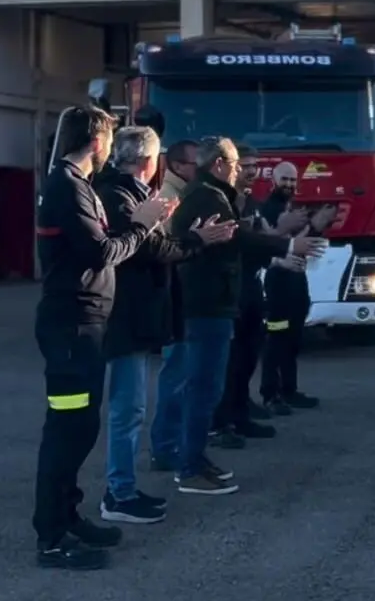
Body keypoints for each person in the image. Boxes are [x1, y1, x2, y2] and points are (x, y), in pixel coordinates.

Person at [33, 106, 173, 570]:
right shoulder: (69, 188)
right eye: (109, 140)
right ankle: (52, 537)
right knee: (67, 432)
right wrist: (144, 222)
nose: (111, 149)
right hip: (72, 325)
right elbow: (102, 252)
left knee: (82, 428)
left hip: (86, 325)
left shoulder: (77, 185)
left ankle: (68, 517)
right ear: (97, 142)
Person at [94, 127, 236, 525]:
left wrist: (184, 235)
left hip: (135, 316)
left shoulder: (130, 194)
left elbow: (154, 243)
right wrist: (199, 239)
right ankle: (118, 493)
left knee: (133, 407)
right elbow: (150, 248)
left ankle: (123, 487)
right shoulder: (119, 195)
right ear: (150, 161)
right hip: (125, 316)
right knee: (127, 410)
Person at [169, 137, 325, 496]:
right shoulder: (208, 196)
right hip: (207, 305)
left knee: (209, 386)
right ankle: (190, 467)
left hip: (215, 302)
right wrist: (287, 244)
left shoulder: (212, 194)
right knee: (203, 388)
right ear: (220, 164)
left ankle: (196, 458)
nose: (242, 170)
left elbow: (237, 238)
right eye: (237, 163)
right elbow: (240, 239)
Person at [210, 145, 282, 446]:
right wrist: (281, 243)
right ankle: (221, 423)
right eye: (246, 166)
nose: (251, 172)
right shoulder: (225, 201)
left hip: (252, 286)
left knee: (250, 353)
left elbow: (258, 242)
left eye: (255, 166)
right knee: (230, 361)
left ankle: (241, 414)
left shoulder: (253, 202)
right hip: (230, 290)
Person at [258, 161, 337, 415]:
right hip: (279, 281)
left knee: (293, 338)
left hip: (297, 281)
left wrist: (318, 225)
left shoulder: (290, 207)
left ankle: (289, 390)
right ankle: (271, 394)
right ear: (273, 180)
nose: (290, 185)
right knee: (276, 338)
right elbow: (271, 241)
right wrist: (293, 228)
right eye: (285, 180)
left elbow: (301, 241)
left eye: (293, 180)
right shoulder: (269, 209)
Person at [149, 139, 199, 473]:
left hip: (182, 299)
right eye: (197, 163)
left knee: (183, 375)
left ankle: (173, 442)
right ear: (179, 166)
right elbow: (164, 251)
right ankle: (165, 447)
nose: (203, 168)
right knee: (176, 376)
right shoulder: (170, 199)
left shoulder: (183, 195)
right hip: (176, 300)